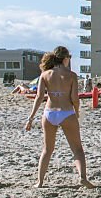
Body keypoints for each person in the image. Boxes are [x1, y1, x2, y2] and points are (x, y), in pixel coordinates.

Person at [24, 47, 93, 188]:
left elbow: (39, 97)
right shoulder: (71, 75)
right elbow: (75, 98)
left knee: (47, 149)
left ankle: (40, 182)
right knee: (77, 149)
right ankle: (82, 177)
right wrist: (78, 112)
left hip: (49, 113)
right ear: (65, 58)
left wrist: (30, 118)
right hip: (66, 112)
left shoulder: (45, 75)